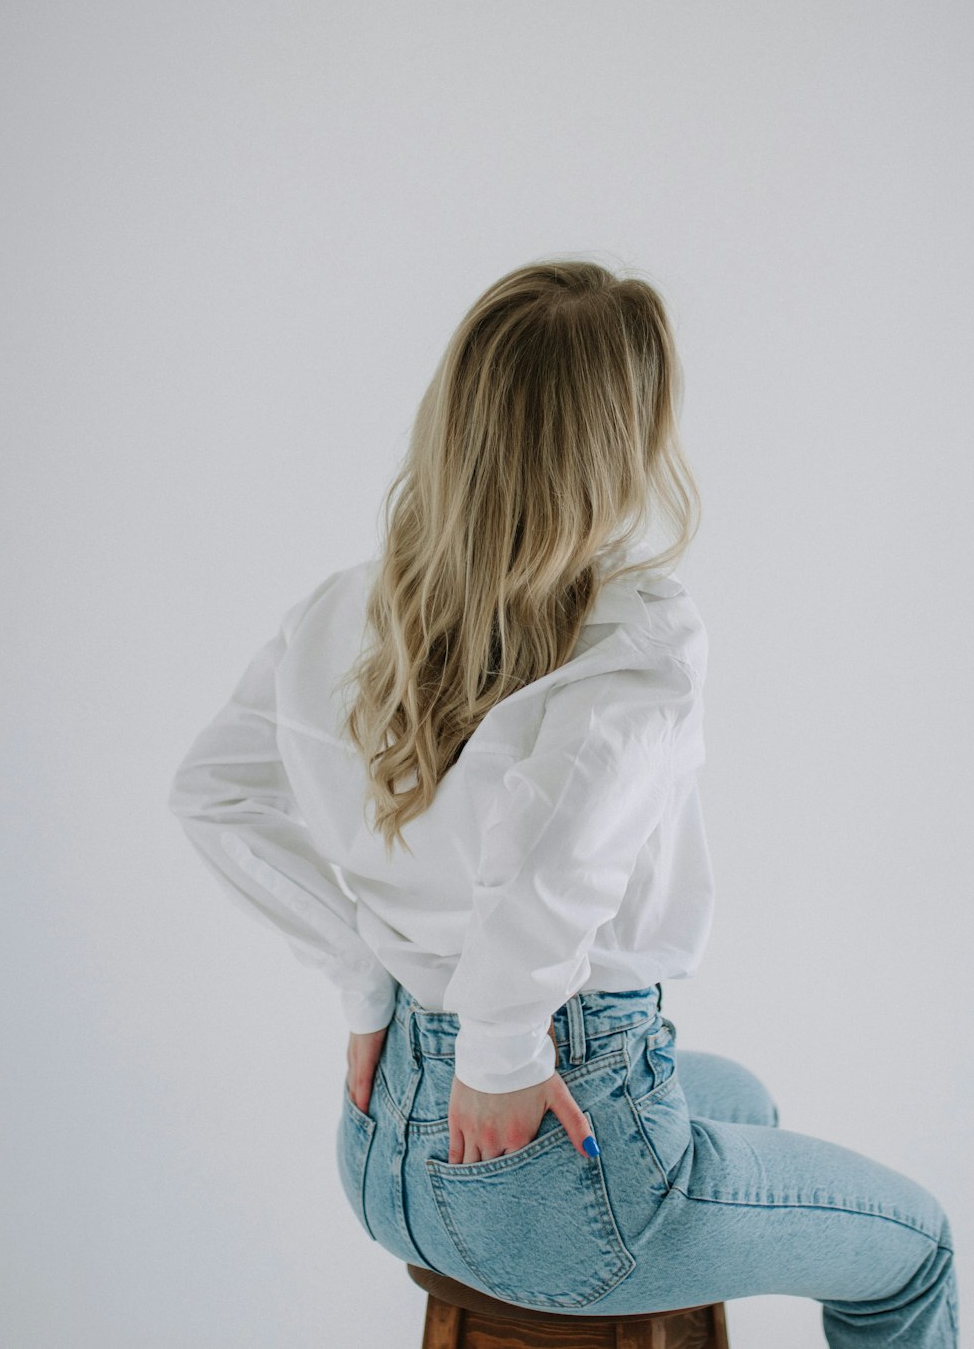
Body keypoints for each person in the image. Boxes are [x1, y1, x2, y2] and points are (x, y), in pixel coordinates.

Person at [167, 259, 959, 1343]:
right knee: (916, 1250)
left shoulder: (346, 608)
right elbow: (552, 864)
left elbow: (212, 795)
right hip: (543, 1178)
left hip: (382, 1154)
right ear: (621, 448)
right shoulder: (636, 639)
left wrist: (366, 976)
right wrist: (499, 1053)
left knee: (745, 1098)